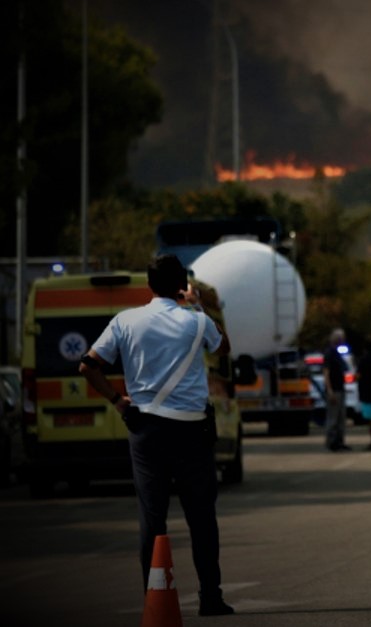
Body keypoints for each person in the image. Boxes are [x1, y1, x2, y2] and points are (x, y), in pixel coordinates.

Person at [78, 254, 235, 617]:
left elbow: (88, 365)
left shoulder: (125, 320)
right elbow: (223, 347)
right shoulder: (196, 322)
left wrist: (119, 402)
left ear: (148, 285)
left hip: (145, 428)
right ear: (182, 284)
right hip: (192, 430)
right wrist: (197, 304)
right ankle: (211, 597)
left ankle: (154, 598)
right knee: (201, 517)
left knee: (153, 517)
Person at [323, 328, 351, 452]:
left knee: (340, 417)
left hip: (340, 388)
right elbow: (326, 373)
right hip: (334, 390)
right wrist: (330, 391)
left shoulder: (337, 353)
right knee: (333, 418)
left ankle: (340, 441)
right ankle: (331, 441)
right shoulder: (329, 353)